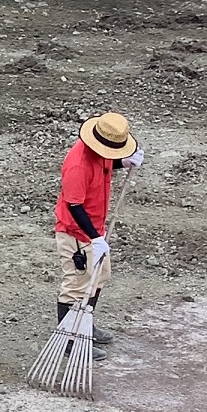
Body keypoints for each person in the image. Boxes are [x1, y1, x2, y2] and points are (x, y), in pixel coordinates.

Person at [56, 110, 143, 346]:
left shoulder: (101, 148)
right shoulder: (78, 166)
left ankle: (85, 325)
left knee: (98, 279)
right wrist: (94, 238)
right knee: (76, 286)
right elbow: (74, 205)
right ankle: (69, 341)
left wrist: (122, 163)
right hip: (77, 234)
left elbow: (105, 162)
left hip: (96, 228)